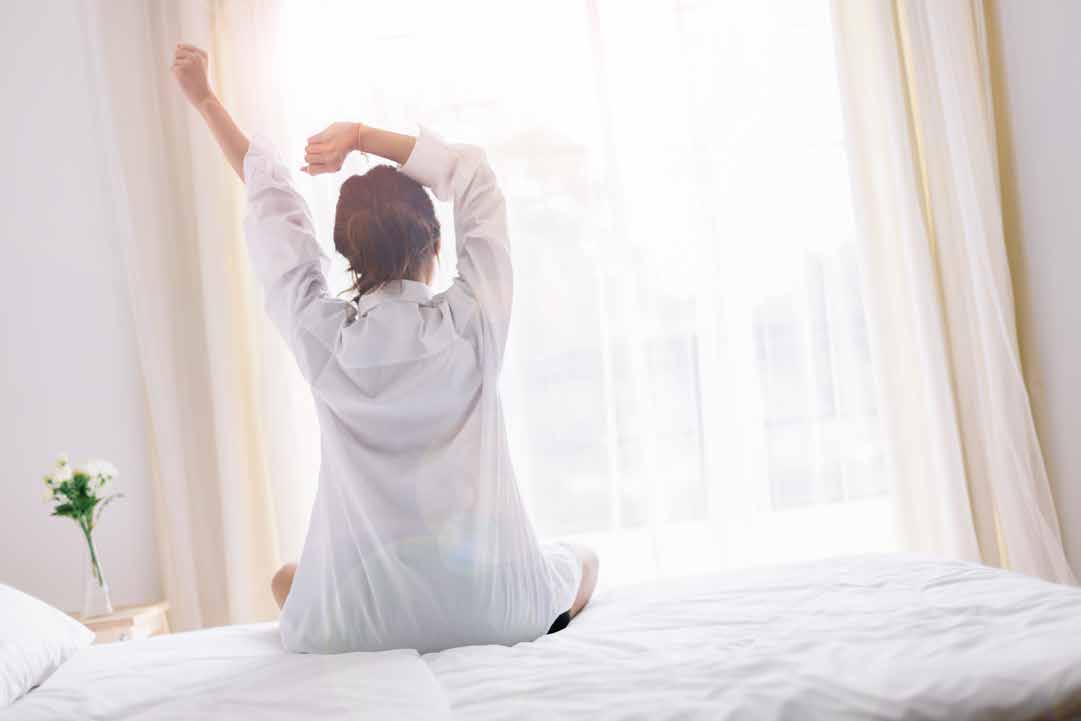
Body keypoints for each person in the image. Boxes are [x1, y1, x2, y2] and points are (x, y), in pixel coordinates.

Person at [171, 43, 598, 653]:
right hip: (497, 611)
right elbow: (474, 176)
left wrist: (206, 100)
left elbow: (274, 204)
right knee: (582, 558)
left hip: (364, 623)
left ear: (348, 257)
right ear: (436, 244)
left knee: (286, 579)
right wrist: (362, 137)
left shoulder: (323, 340)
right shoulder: (473, 324)